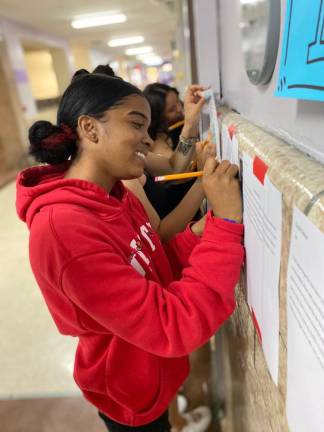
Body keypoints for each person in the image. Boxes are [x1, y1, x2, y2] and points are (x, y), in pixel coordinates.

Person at [16, 70, 244, 432]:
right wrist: (226, 228)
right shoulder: (63, 229)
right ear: (90, 129)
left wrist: (202, 230)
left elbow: (158, 261)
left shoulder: (115, 194)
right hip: (128, 391)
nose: (146, 139)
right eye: (136, 124)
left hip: (151, 371)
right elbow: (173, 324)